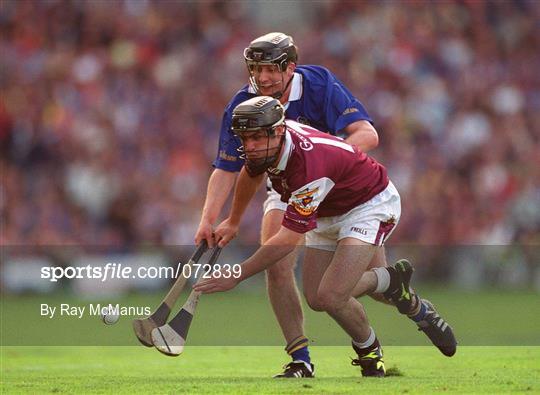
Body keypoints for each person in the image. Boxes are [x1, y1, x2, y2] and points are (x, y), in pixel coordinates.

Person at [194, 97, 457, 378]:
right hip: (326, 209)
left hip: (368, 205)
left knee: (331, 294)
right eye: (245, 139)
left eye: (257, 137)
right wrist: (233, 220)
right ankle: (403, 302)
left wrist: (238, 274)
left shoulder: (309, 167)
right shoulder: (270, 144)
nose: (250, 146)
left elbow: (286, 240)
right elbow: (249, 173)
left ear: (278, 131)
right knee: (319, 299)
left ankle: (374, 337)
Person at [195, 32, 380, 378]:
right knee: (276, 261)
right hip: (284, 189)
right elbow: (228, 167)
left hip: (335, 187)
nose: (262, 78)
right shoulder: (243, 103)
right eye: (255, 69)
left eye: (270, 69)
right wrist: (212, 218)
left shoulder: (319, 85)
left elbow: (367, 135)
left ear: (290, 67)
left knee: (367, 292)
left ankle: (397, 290)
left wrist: (327, 168)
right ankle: (301, 359)